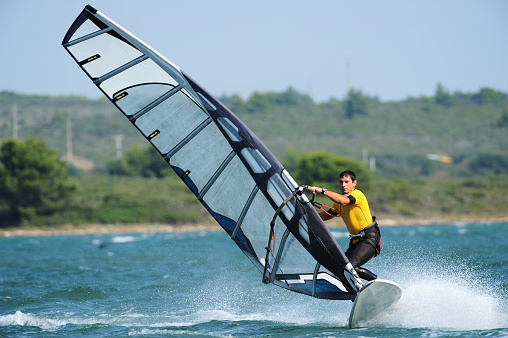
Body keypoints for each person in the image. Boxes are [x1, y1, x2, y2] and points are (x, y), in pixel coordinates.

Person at [308, 170, 380, 281]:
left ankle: (378, 282)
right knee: (341, 268)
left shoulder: (357, 194)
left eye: (347, 182)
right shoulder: (338, 203)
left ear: (354, 183)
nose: (343, 185)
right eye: (341, 182)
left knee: (352, 268)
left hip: (369, 238)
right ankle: (358, 289)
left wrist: (322, 191)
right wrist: (307, 216)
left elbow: (343, 200)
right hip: (357, 241)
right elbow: (328, 215)